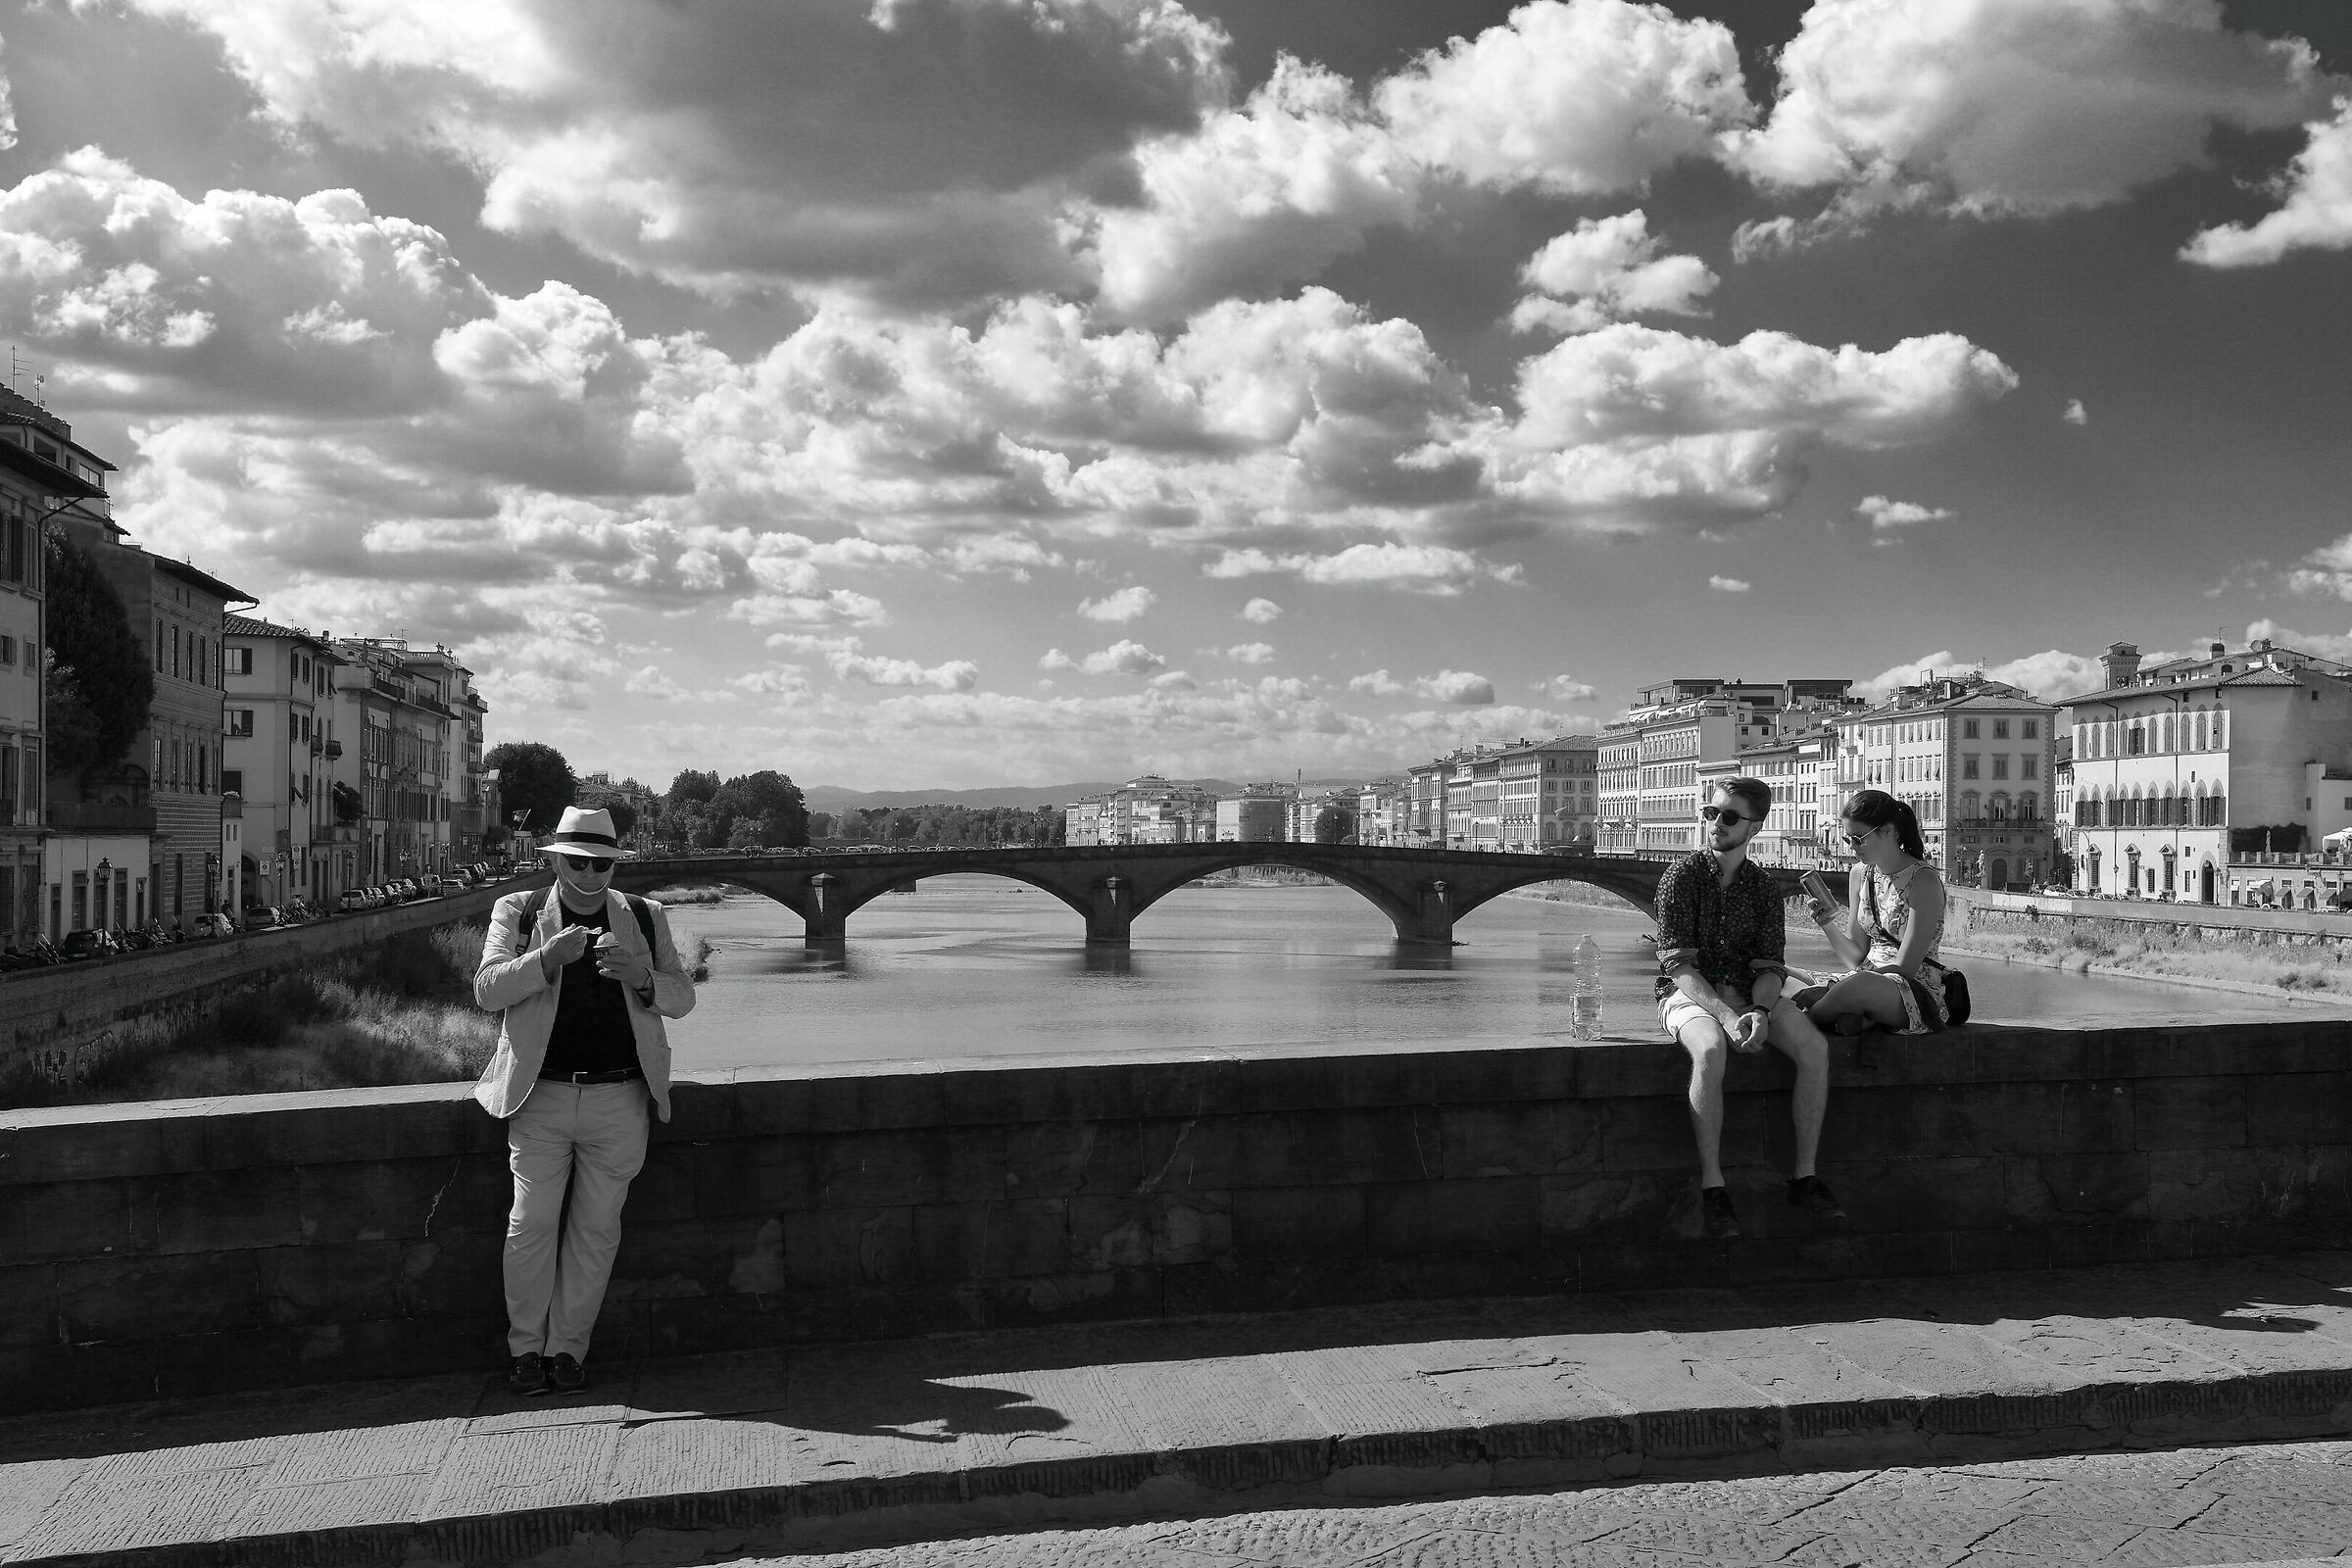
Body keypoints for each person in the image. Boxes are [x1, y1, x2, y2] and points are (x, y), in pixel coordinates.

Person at [473, 806, 695, 1396]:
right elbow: (487, 989)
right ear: (556, 860)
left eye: (603, 863)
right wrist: (547, 959)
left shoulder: (646, 918)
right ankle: (525, 1352)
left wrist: (641, 978)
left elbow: (681, 998)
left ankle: (568, 1352)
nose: (593, 873)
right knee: (531, 1224)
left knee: (597, 1231)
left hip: (620, 1097)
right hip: (539, 1095)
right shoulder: (518, 912)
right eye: (580, 861)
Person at [1654, 777, 1843, 1241]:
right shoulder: (1681, 877)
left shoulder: (1762, 887)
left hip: (1751, 993)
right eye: (1711, 813)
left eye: (1730, 817)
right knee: (1711, 1052)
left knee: (1814, 1049)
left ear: (1755, 827)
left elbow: (1769, 964)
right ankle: (1713, 1186)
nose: (1716, 824)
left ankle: (1804, 1177)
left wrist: (1758, 1011)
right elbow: (1679, 966)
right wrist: (1723, 1013)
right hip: (1689, 994)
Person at [1799, 789, 1952, 1038]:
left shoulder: (1923, 879)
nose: (1851, 847)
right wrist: (1827, 924)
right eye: (1848, 838)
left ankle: (1799, 1022)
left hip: (1911, 990)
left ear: (1888, 831)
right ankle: (1858, 1016)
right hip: (1862, 978)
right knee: (1784, 974)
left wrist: (1834, 987)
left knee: (1857, 986)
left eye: (1858, 839)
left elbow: (1905, 967)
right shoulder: (1860, 874)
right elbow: (1856, 957)